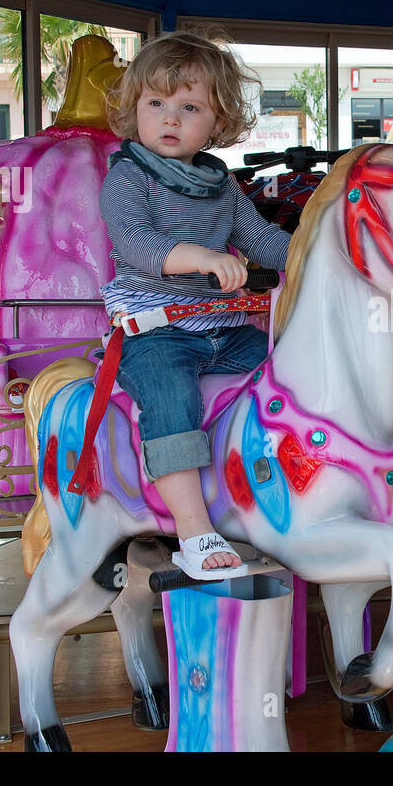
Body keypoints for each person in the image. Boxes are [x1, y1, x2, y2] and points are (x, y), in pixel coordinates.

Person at [100, 29, 290, 579]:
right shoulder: (127, 177)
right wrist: (201, 257)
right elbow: (137, 243)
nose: (170, 119)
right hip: (155, 329)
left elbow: (263, 243)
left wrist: (320, 249)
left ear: (219, 121)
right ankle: (192, 529)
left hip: (224, 328)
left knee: (286, 377)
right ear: (134, 107)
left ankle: (267, 493)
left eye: (189, 107)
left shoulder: (221, 184)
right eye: (155, 103)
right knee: (170, 396)